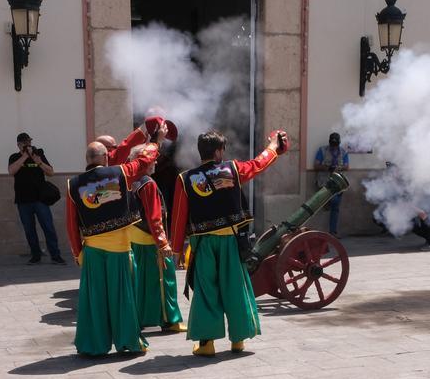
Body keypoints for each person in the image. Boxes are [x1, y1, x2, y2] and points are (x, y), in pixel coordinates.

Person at [170, 129, 289, 356]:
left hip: (203, 244)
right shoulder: (232, 169)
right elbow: (258, 164)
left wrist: (176, 250)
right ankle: (238, 341)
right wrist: (273, 146)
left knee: (206, 292)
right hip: (231, 242)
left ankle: (206, 345)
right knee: (235, 288)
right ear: (218, 152)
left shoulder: (184, 179)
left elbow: (178, 217)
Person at [65, 141, 159, 356]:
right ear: (106, 157)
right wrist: (155, 140)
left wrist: (78, 253)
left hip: (92, 251)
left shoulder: (73, 184)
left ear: (87, 159)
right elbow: (146, 158)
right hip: (119, 249)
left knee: (95, 300)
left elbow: (71, 224)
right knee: (122, 299)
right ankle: (128, 342)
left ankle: (93, 345)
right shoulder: (122, 172)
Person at [126, 144, 185, 333]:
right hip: (151, 241)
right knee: (165, 282)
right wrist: (163, 243)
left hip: (134, 239)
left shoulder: (129, 180)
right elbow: (154, 217)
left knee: (140, 283)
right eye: (152, 159)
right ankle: (171, 320)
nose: (156, 162)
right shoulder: (148, 183)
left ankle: (140, 318)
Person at [8, 132, 65, 265]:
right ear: (19, 145)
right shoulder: (14, 157)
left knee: (48, 227)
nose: (28, 145)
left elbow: (51, 172)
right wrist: (24, 157)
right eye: (25, 143)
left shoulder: (39, 154)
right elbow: (11, 171)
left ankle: (55, 255)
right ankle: (36, 255)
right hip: (23, 201)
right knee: (29, 230)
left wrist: (38, 161)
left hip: (40, 200)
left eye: (29, 142)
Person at [314, 132, 350, 236]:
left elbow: (347, 167)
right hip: (324, 182)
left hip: (338, 183)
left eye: (335, 144)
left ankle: (333, 231)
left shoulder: (343, 152)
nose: (334, 146)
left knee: (336, 208)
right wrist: (327, 168)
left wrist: (338, 168)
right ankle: (327, 204)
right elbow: (316, 165)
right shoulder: (322, 150)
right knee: (333, 201)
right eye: (332, 144)